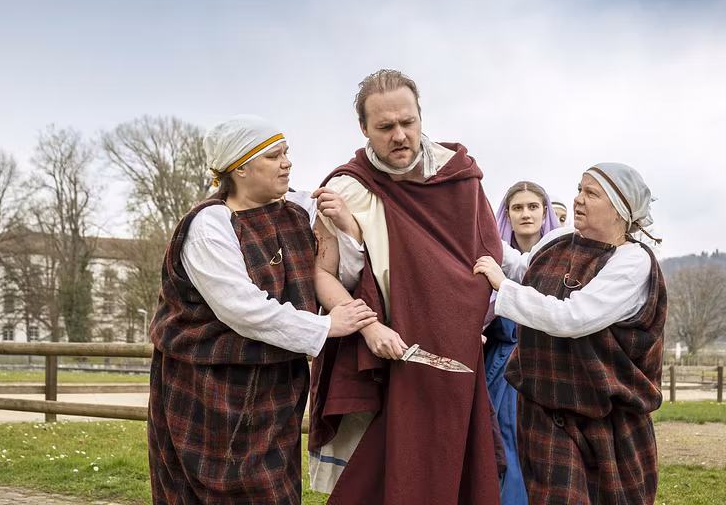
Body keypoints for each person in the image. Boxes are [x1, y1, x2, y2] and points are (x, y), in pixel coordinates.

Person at [147, 114, 378, 504]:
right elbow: (243, 308)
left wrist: (347, 228)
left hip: (276, 389)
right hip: (207, 387)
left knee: (275, 493)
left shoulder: (300, 210)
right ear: (240, 167)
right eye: (273, 155)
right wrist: (324, 327)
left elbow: (341, 272)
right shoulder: (209, 226)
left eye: (286, 152)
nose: (287, 162)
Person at [308, 69, 505, 504]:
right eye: (385, 127)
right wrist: (368, 326)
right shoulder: (345, 189)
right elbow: (323, 275)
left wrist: (470, 319)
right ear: (363, 129)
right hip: (382, 351)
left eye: (408, 122)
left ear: (420, 117)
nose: (400, 136)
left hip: (451, 351)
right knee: (378, 479)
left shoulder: (460, 178)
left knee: (455, 472)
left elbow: (483, 263)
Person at [474, 163, 666, 505]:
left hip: (606, 417)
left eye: (591, 194)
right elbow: (523, 267)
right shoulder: (559, 239)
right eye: (579, 189)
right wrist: (476, 223)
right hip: (546, 406)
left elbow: (573, 317)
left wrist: (502, 288)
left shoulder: (632, 263)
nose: (577, 199)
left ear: (620, 209)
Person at [483, 181, 560, 504]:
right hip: (502, 364)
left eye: (533, 207)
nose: (525, 214)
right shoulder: (492, 254)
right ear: (507, 214)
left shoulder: (559, 255)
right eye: (517, 207)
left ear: (545, 213)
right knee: (505, 440)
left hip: (550, 361)